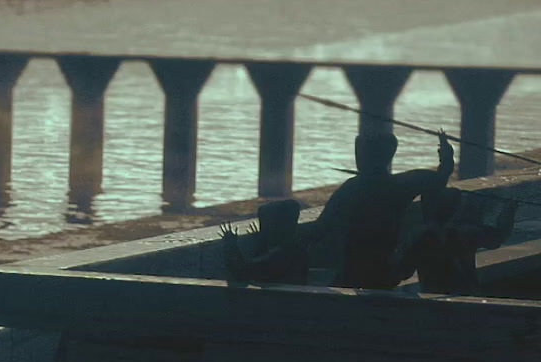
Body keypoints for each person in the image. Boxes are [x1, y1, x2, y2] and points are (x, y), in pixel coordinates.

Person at [309, 129, 454, 290]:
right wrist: (446, 155)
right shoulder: (402, 184)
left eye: (360, 152)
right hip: (387, 269)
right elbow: (440, 177)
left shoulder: (352, 187)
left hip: (355, 270)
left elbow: (320, 227)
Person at [398, 186, 516, 295]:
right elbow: (498, 238)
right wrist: (509, 208)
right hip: (467, 297)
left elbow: (404, 273)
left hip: (433, 297)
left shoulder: (419, 237)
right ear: (455, 208)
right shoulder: (467, 233)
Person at [219, 199, 311, 285]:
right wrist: (260, 243)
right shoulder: (297, 249)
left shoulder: (281, 255)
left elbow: (242, 273)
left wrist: (231, 246)